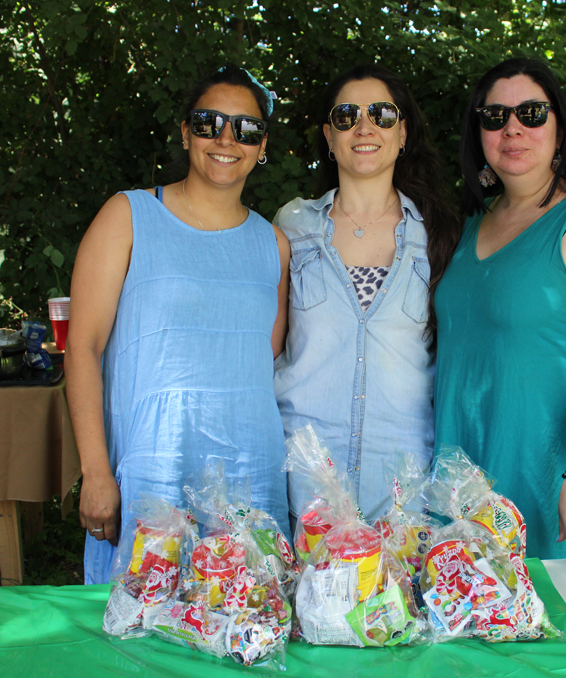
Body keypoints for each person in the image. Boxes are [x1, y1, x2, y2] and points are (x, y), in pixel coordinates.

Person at [65, 65, 291, 584]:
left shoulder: (273, 245)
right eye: (210, 122)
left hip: (250, 481)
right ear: (186, 132)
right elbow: (83, 347)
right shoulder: (128, 216)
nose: (227, 139)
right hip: (154, 476)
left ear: (262, 146)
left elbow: (264, 362)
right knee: (142, 622)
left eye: (246, 128)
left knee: (249, 619)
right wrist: (95, 472)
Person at [433, 58, 566, 593]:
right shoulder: (472, 224)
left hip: (546, 473)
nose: (512, 128)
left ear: (560, 128)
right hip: (461, 473)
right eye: (495, 116)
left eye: (531, 113)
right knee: (462, 618)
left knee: (550, 624)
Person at [274, 65, 458, 523]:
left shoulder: (440, 234)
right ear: (329, 136)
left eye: (381, 114)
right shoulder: (292, 226)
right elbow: (267, 346)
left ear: (403, 133)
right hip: (304, 479)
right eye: (346, 116)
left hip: (403, 488)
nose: (364, 127)